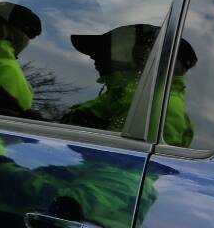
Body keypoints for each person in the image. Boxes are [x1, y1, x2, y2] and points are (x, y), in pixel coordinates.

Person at [61, 23, 198, 146]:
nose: (93, 57)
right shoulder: (123, 95)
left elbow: (118, 169)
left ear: (142, 56)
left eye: (106, 49)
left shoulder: (153, 106)